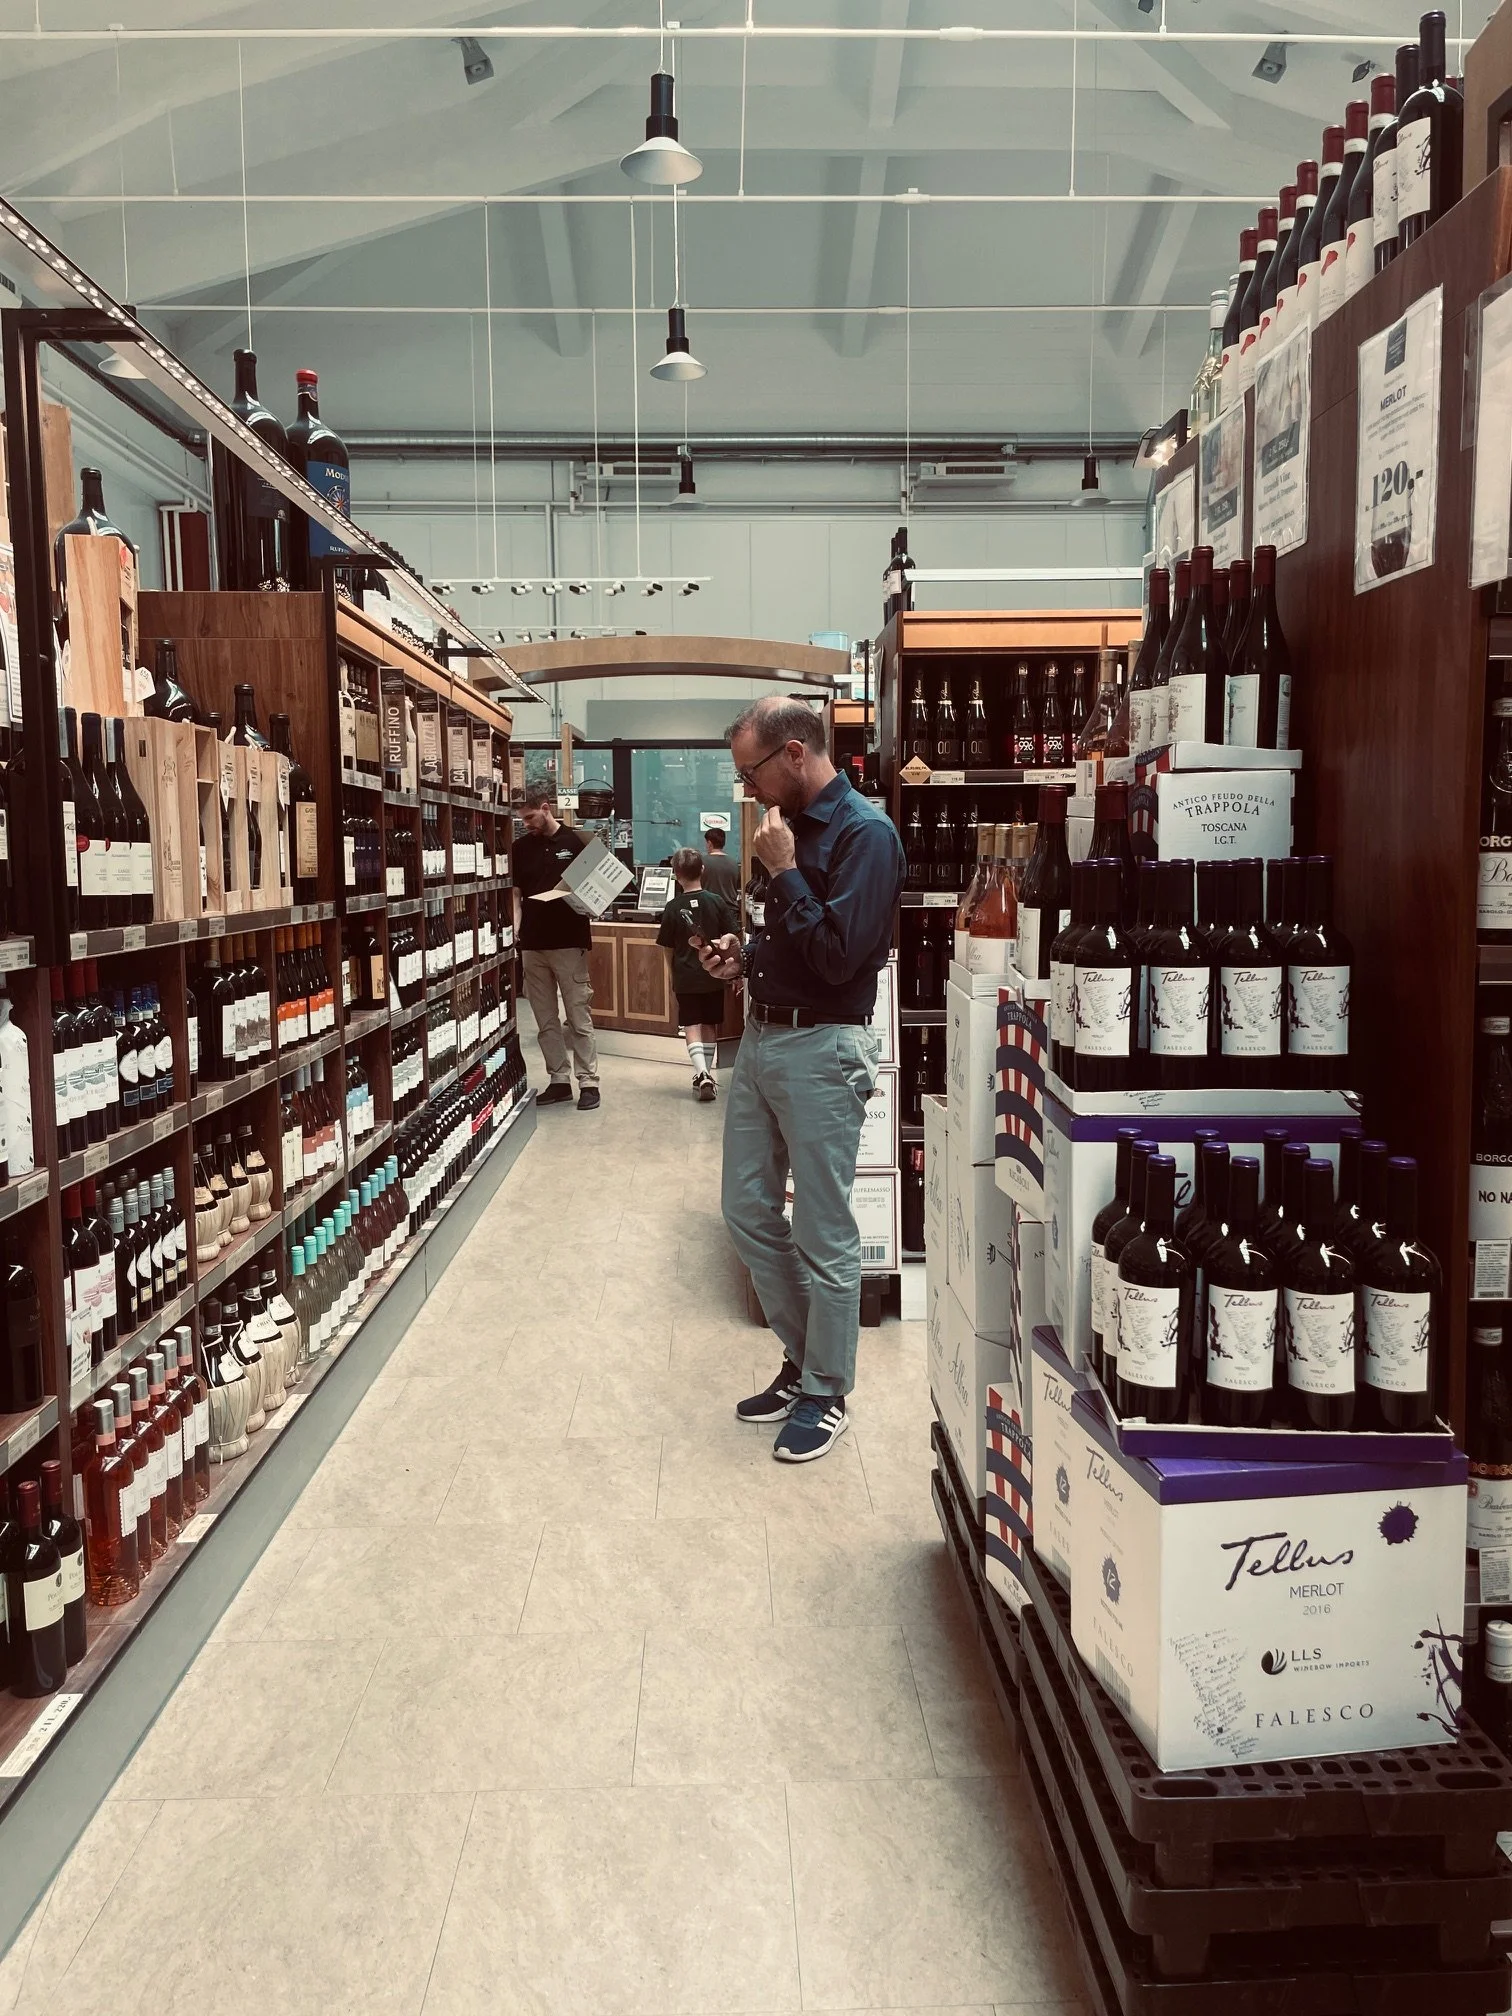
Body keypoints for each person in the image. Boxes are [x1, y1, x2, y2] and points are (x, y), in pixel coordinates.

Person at [695, 694, 905, 1463]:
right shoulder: (780, 832)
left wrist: (784, 873)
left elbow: (841, 960)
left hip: (823, 1051)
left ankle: (827, 1388)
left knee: (824, 1232)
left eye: (750, 771)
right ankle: (803, 1359)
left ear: (793, 754)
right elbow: (782, 940)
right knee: (745, 1209)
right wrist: (739, 956)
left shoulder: (865, 836)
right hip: (759, 1040)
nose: (745, 788)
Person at [511, 783, 601, 1111]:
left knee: (578, 1015)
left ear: (547, 808)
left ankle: (589, 1081)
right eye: (522, 819)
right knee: (545, 1018)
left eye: (532, 817)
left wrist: (594, 903)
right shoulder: (520, 848)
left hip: (569, 941)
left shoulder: (577, 842)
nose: (527, 824)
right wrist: (515, 930)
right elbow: (516, 895)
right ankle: (559, 1080)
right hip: (532, 945)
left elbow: (599, 889)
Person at [656, 848, 737, 1102]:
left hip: (686, 977)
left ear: (676, 875)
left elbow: (666, 948)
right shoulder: (716, 901)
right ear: (703, 869)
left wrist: (672, 975)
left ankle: (701, 1072)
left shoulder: (672, 907)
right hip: (714, 973)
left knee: (691, 1024)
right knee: (710, 1023)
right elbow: (731, 939)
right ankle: (708, 1075)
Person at [701, 826, 741, 905]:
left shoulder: (701, 862)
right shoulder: (734, 863)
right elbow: (738, 886)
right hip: (730, 909)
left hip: (708, 908)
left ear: (709, 843)